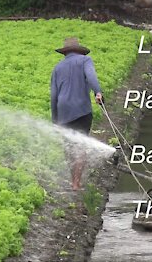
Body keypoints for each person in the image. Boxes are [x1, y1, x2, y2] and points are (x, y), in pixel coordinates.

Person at [51, 37, 103, 191]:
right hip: (81, 110)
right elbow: (92, 76)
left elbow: (53, 95)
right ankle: (76, 183)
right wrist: (98, 92)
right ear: (79, 50)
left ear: (65, 52)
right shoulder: (85, 61)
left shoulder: (57, 67)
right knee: (80, 144)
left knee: (69, 147)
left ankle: (72, 180)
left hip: (63, 111)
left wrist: (55, 120)